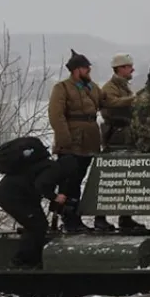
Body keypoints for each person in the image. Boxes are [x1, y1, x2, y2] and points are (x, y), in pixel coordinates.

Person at [0, 137, 78, 268]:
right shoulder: (53, 168)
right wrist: (55, 197)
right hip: (12, 196)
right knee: (37, 226)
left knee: (37, 224)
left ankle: (33, 259)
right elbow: (41, 185)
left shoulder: (47, 166)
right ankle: (20, 261)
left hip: (17, 195)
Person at [47, 49, 103, 234]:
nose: (88, 71)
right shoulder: (62, 88)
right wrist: (65, 141)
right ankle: (70, 220)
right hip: (71, 142)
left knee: (79, 179)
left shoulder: (92, 88)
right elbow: (56, 115)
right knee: (69, 183)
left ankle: (76, 219)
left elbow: (105, 102)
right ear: (76, 70)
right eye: (86, 68)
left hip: (89, 141)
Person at [93, 53, 149, 234]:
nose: (132, 69)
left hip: (125, 136)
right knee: (109, 180)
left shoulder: (123, 87)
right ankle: (100, 218)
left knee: (128, 179)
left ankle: (125, 218)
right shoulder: (110, 88)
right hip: (115, 137)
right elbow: (112, 104)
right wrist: (137, 98)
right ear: (119, 69)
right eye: (128, 66)